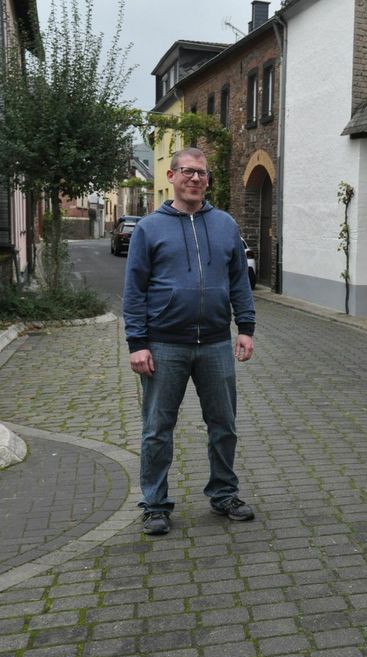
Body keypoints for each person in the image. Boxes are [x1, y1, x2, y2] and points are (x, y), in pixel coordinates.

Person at [122, 147, 257, 536]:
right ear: (171, 176)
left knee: (224, 424)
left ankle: (223, 493)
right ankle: (155, 504)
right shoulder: (149, 228)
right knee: (157, 428)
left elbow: (239, 282)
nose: (195, 179)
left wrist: (245, 328)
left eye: (201, 173)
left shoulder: (225, 224)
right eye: (187, 171)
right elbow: (134, 290)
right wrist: (137, 343)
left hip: (215, 343)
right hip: (165, 344)